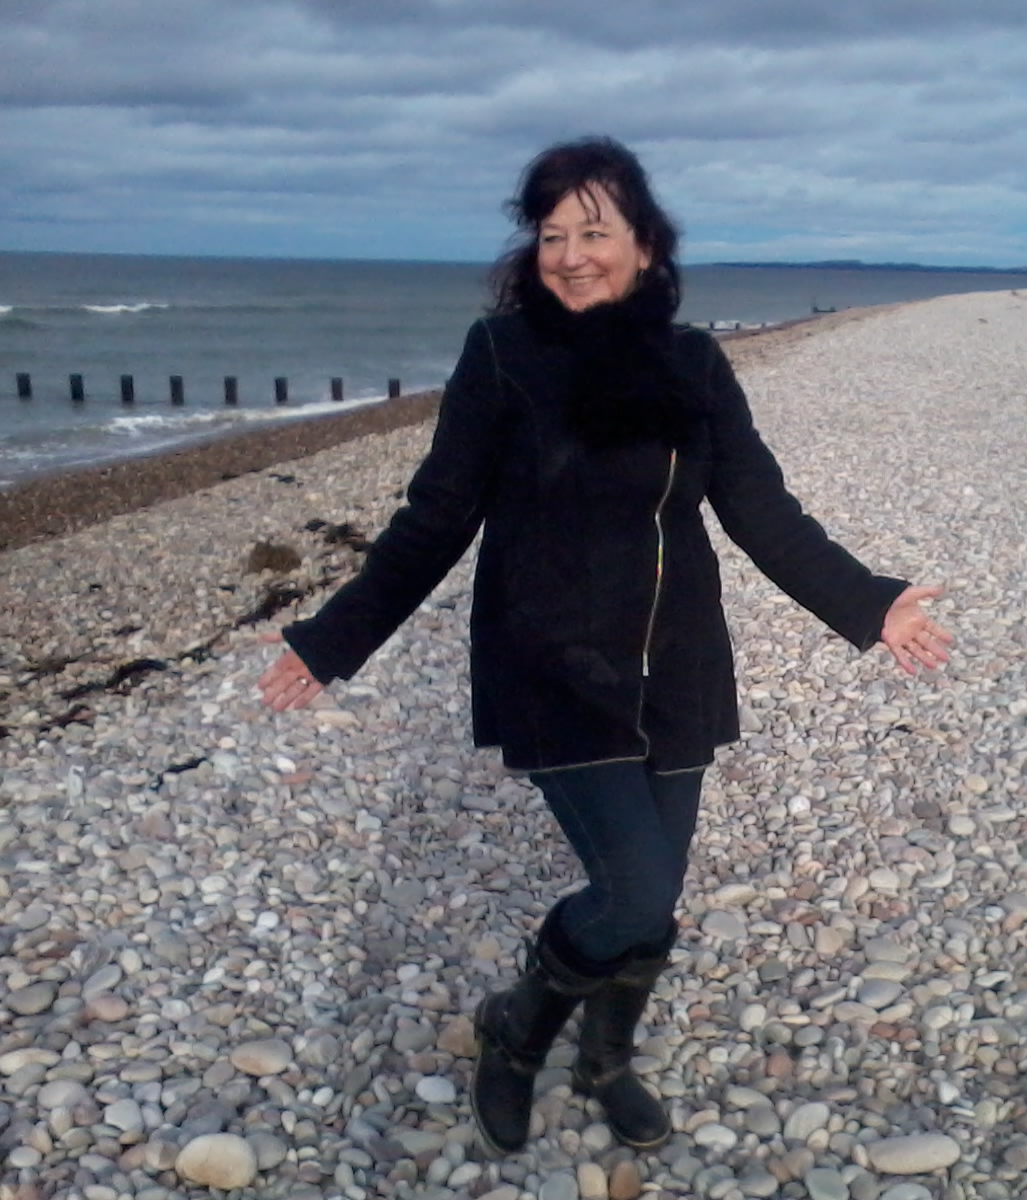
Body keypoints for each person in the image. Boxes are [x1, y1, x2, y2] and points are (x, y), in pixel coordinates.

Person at [257, 136, 953, 1157]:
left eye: (595, 232)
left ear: (643, 246)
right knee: (629, 888)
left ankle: (606, 1060)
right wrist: (333, 640)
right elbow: (435, 517)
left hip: (676, 668)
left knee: (653, 903)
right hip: (551, 670)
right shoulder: (501, 355)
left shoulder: (692, 364)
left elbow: (760, 507)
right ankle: (517, 1033)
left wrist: (869, 602)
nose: (572, 254)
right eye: (552, 234)